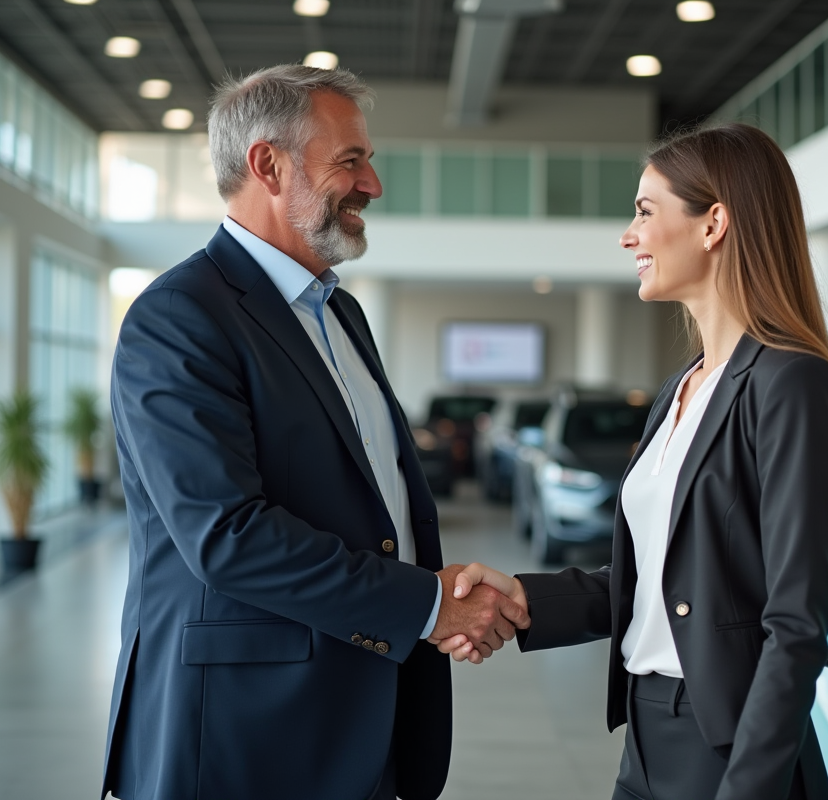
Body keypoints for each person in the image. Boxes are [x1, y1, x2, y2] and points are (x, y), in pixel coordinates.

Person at [101, 64, 528, 800]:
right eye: (351, 161)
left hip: (362, 714)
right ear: (268, 164)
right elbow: (227, 535)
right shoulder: (179, 317)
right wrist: (426, 606)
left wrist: (433, 594)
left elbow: (365, 505)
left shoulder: (339, 314)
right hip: (242, 734)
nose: (373, 185)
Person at [438, 123, 828, 800]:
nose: (627, 235)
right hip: (646, 732)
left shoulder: (790, 382)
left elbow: (796, 623)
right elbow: (661, 580)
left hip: (725, 745)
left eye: (643, 211)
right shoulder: (683, 387)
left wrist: (748, 787)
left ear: (714, 222)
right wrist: (522, 598)